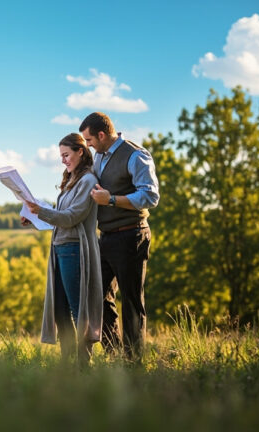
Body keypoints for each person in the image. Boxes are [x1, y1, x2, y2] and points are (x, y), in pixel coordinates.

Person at [79, 112, 159, 359]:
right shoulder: (99, 158)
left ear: (102, 135)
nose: (88, 145)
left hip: (132, 236)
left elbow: (150, 197)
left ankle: (133, 361)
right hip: (107, 238)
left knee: (132, 302)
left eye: (89, 140)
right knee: (97, 296)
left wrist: (111, 199)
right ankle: (114, 354)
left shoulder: (136, 155)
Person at [22, 133, 103, 365]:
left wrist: (41, 211)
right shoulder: (71, 181)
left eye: (66, 155)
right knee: (60, 310)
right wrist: (34, 217)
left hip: (74, 250)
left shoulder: (88, 180)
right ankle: (67, 363)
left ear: (80, 151)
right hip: (59, 250)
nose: (63, 161)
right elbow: (61, 218)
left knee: (79, 311)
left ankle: (83, 365)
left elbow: (71, 217)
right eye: (61, 156)